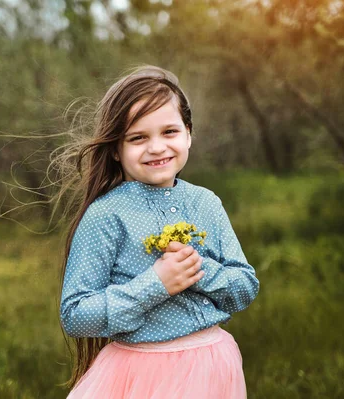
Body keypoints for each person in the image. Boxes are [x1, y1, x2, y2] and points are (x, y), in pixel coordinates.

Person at [58, 65, 260, 398]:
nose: (156, 147)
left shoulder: (206, 203)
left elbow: (245, 287)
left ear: (188, 133)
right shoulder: (106, 215)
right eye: (138, 138)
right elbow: (75, 315)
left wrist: (199, 270)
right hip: (142, 373)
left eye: (169, 132)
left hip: (214, 363)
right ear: (115, 148)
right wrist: (157, 284)